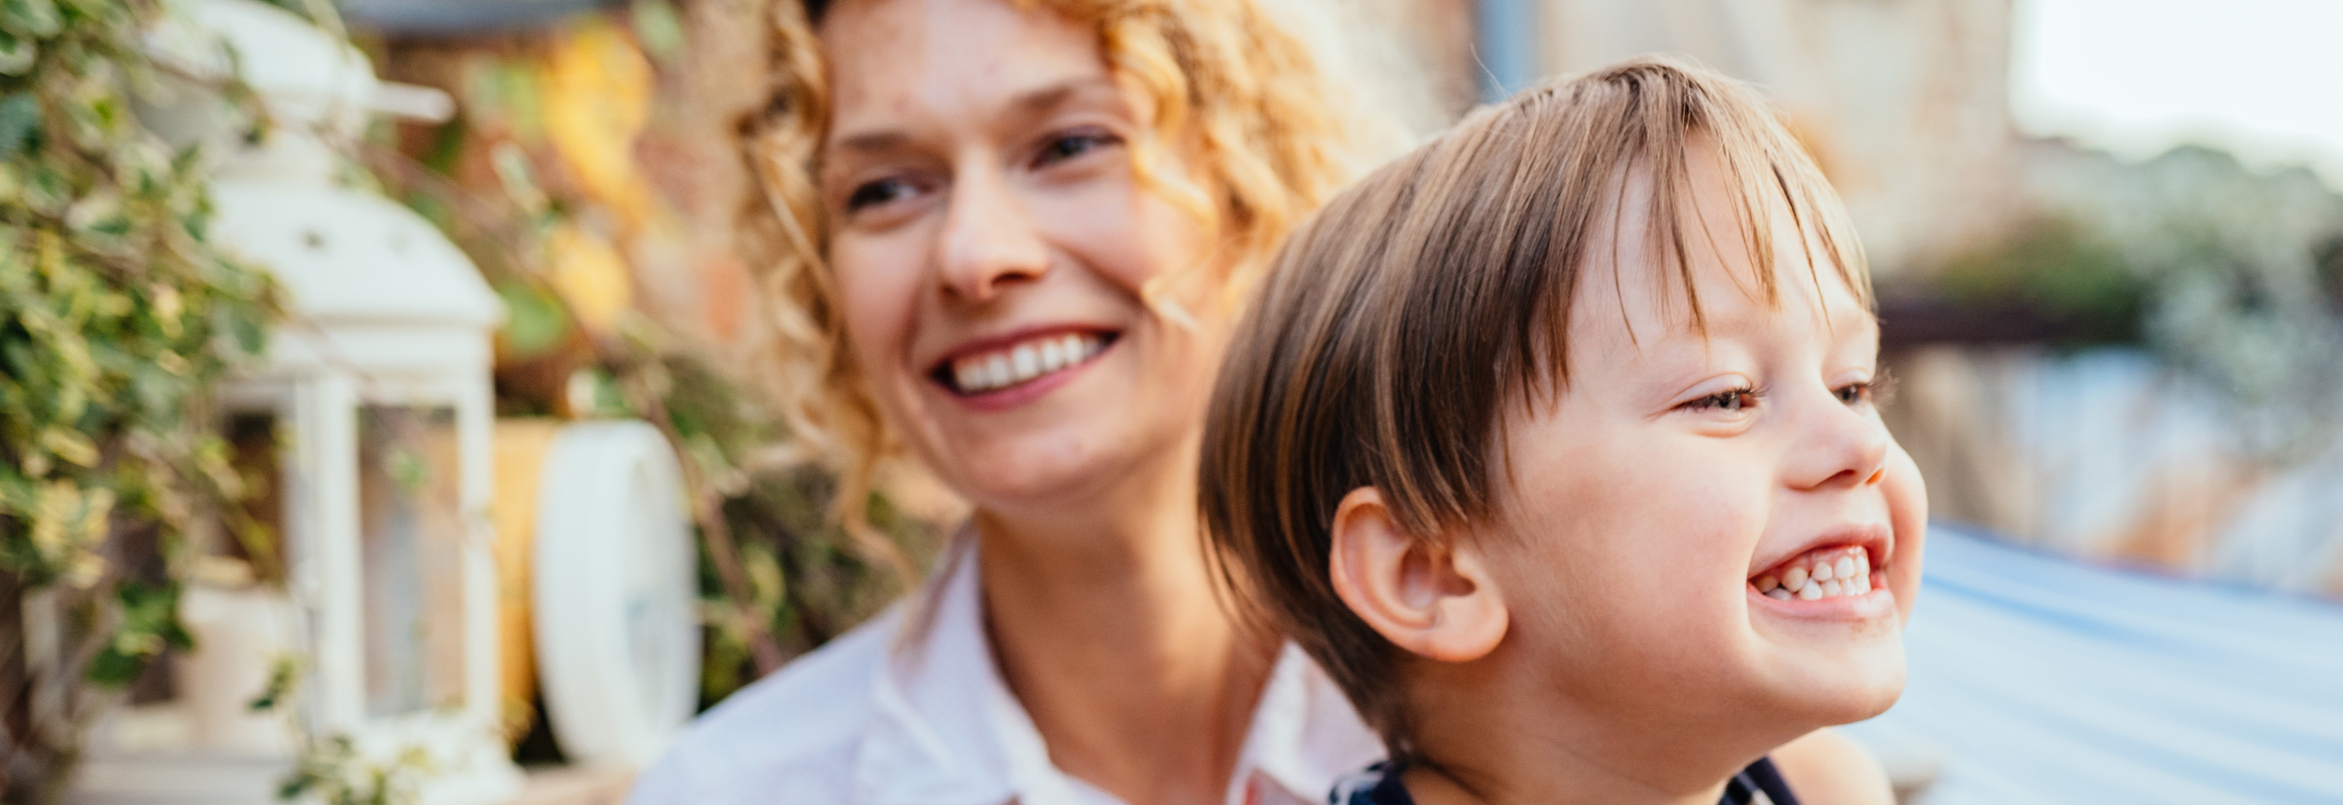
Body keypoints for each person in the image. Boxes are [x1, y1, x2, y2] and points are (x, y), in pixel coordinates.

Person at [623, 0, 1397, 802]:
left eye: (1069, 145)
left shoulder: (1509, 722)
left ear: (1247, 176)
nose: (974, 254)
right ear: (820, 278)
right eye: (885, 189)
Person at [1198, 57, 1922, 805]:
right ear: (1431, 570)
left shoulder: (1830, 789)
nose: (1862, 445)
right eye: (1726, 396)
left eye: (1853, 386)